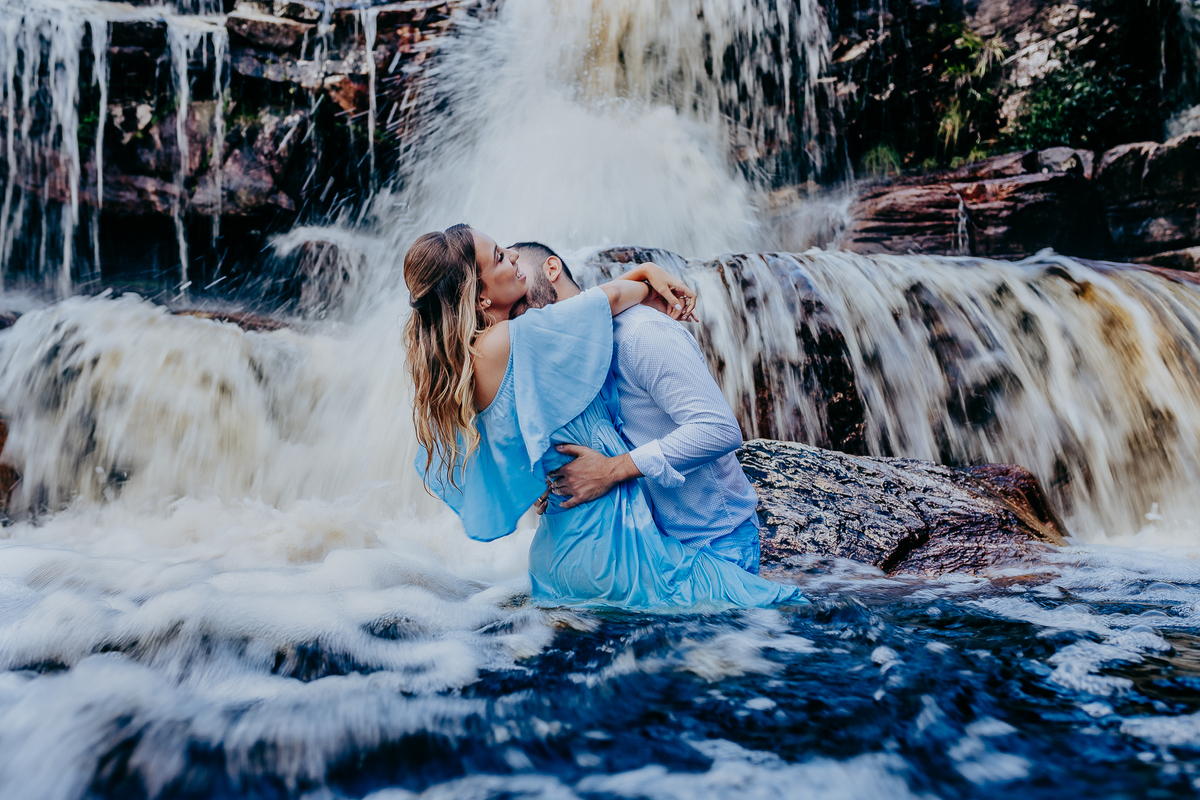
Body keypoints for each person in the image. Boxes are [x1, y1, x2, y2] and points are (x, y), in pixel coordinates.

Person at [405, 224, 805, 611]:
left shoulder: (477, 361)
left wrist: (552, 477)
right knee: (792, 607)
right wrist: (647, 277)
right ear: (479, 298)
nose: (511, 257)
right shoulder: (515, 341)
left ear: (553, 269)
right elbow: (606, 300)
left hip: (559, 559)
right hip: (615, 552)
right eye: (499, 258)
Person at [510, 242, 763, 574]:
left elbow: (719, 429)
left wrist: (610, 471)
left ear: (552, 269)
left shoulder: (641, 334)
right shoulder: (560, 361)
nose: (511, 312)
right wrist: (552, 485)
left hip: (714, 544)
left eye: (517, 276)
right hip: (640, 552)